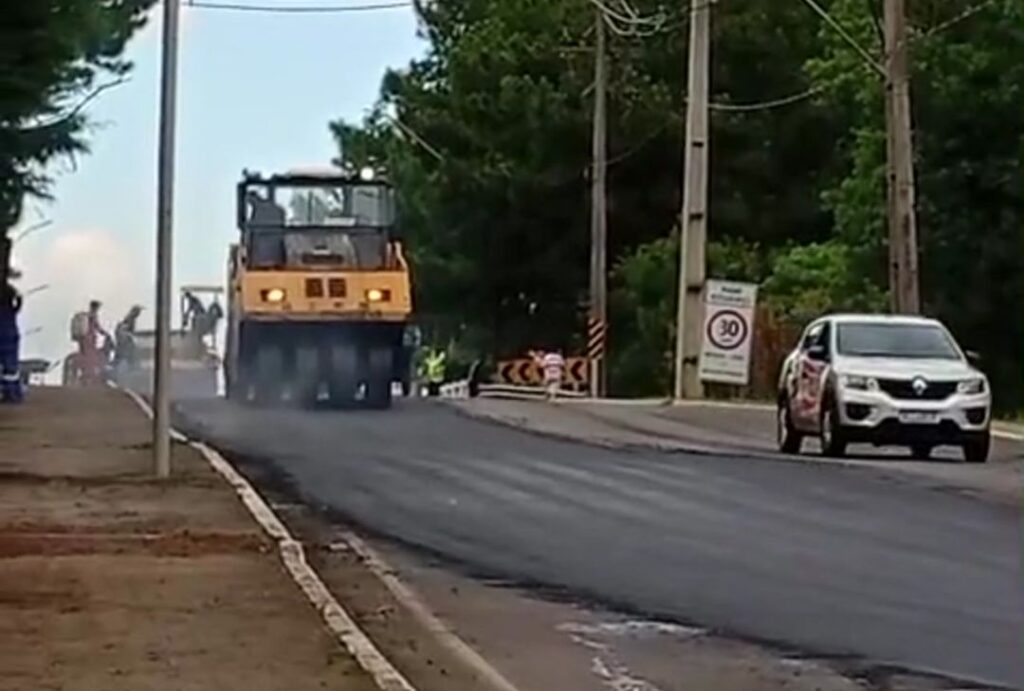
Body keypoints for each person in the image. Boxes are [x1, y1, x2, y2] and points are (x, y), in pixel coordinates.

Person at [0, 281, 23, 403]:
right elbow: (18, 303)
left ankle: (8, 391)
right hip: (10, 336)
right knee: (10, 368)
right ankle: (13, 393)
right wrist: (18, 299)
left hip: (5, 336)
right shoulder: (11, 310)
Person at [114, 305, 143, 370]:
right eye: (138, 312)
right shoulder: (129, 318)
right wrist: (129, 336)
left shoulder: (131, 318)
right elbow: (123, 329)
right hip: (126, 340)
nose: (139, 314)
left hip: (127, 338)